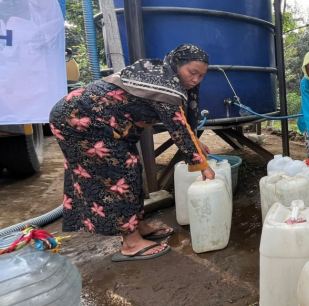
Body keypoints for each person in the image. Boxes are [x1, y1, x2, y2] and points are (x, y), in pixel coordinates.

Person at [49, 44, 215, 262]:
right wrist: (203, 165)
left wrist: (197, 145)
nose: (195, 80)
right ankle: (131, 243)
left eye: (201, 76)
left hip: (99, 124)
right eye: (192, 72)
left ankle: (138, 225)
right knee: (118, 177)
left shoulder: (163, 77)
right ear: (176, 64)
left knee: (132, 169)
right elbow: (178, 130)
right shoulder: (163, 83)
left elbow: (182, 125)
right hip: (79, 121)